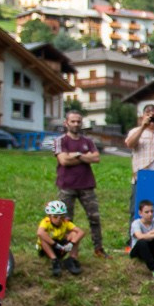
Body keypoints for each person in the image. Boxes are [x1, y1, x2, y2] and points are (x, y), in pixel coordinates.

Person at [53, 109, 106, 257]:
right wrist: (85, 156)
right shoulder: (60, 141)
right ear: (66, 123)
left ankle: (99, 248)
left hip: (87, 185)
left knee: (94, 218)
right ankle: (64, 249)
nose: (76, 124)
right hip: (66, 186)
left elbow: (96, 158)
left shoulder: (88, 141)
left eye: (78, 121)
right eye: (73, 121)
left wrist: (76, 155)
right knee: (65, 220)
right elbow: (63, 160)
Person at [36, 200, 85, 276]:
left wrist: (72, 243)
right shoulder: (46, 222)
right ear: (49, 216)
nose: (58, 219)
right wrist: (55, 244)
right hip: (48, 248)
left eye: (61, 217)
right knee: (43, 237)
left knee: (75, 233)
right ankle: (54, 261)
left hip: (61, 247)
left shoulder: (65, 222)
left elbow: (81, 232)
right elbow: (40, 232)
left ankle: (71, 259)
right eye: (55, 216)